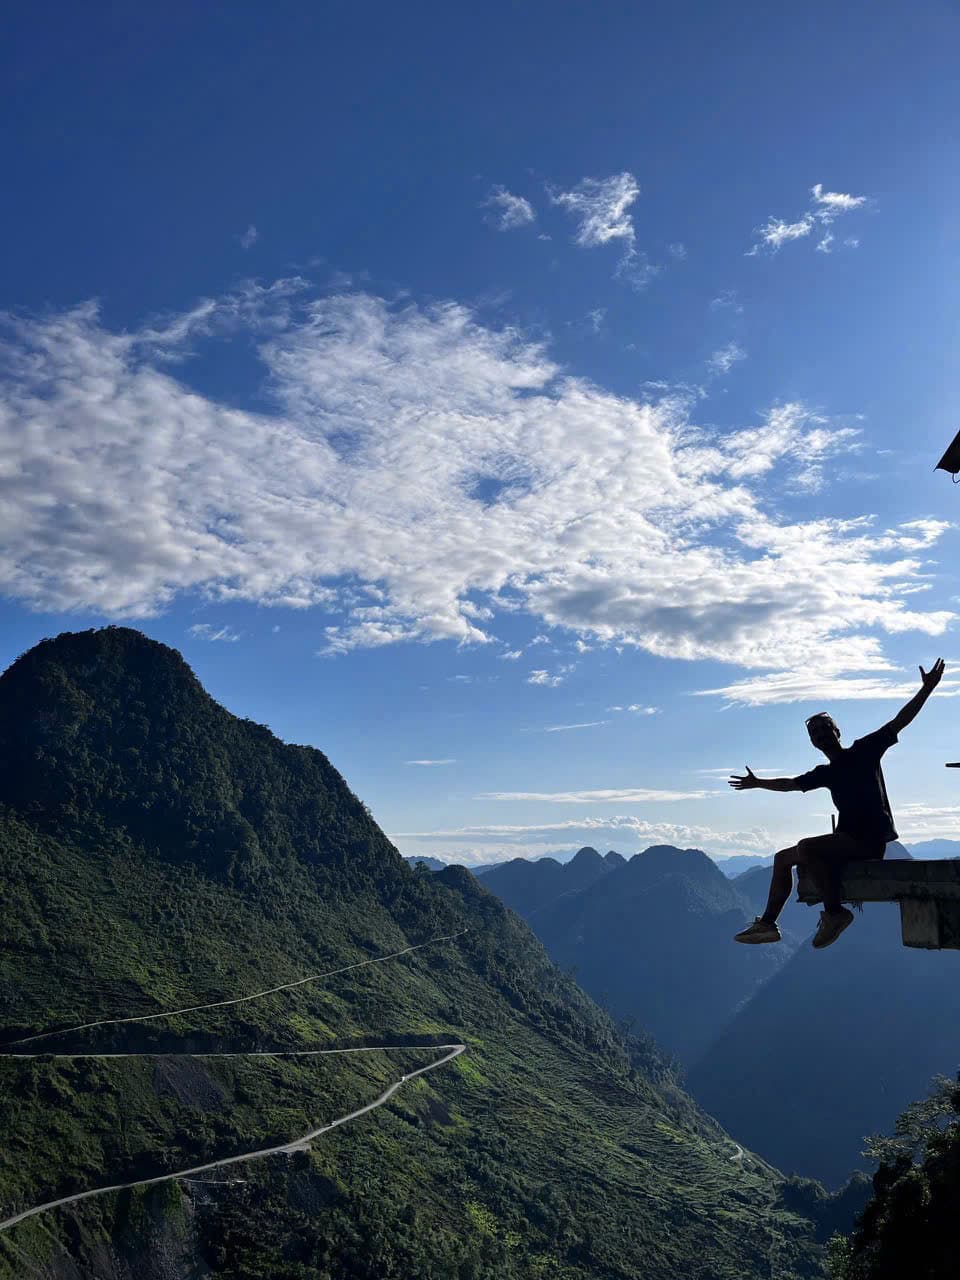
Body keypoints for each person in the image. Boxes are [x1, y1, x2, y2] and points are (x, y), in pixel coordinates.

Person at [729, 659, 945, 950]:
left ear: (837, 731)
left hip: (869, 842)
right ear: (813, 743)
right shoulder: (827, 773)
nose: (820, 735)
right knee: (783, 858)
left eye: (824, 729)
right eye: (815, 733)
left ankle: (834, 914)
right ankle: (767, 925)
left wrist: (926, 689)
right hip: (845, 841)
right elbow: (791, 784)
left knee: (807, 848)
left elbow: (900, 720)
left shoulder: (865, 751)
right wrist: (759, 783)